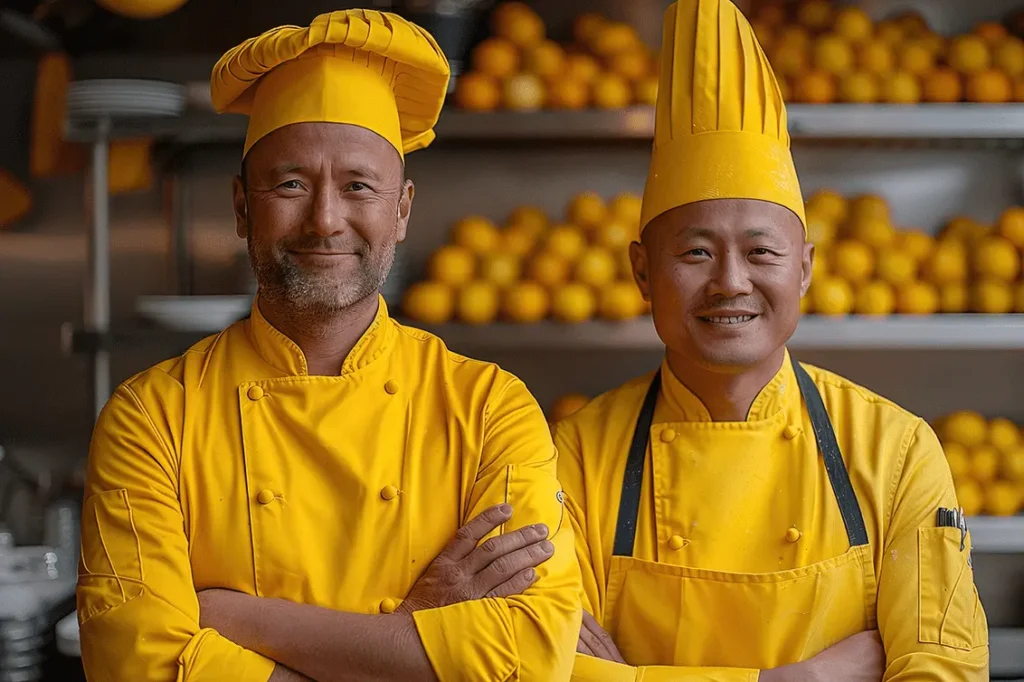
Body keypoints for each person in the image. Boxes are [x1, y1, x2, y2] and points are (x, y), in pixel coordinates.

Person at [76, 10, 580, 682]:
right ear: (240, 208)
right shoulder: (152, 417)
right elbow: (133, 663)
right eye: (290, 184)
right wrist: (410, 636)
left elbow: (531, 654)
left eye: (358, 186)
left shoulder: (489, 407)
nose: (324, 220)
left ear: (400, 212)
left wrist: (235, 618)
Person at [555, 1, 990, 681]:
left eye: (761, 251)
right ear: (642, 271)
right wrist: (808, 677)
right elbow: (545, 668)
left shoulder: (895, 451)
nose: (731, 282)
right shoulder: (574, 457)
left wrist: (637, 674)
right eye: (696, 253)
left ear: (807, 269)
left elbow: (944, 668)